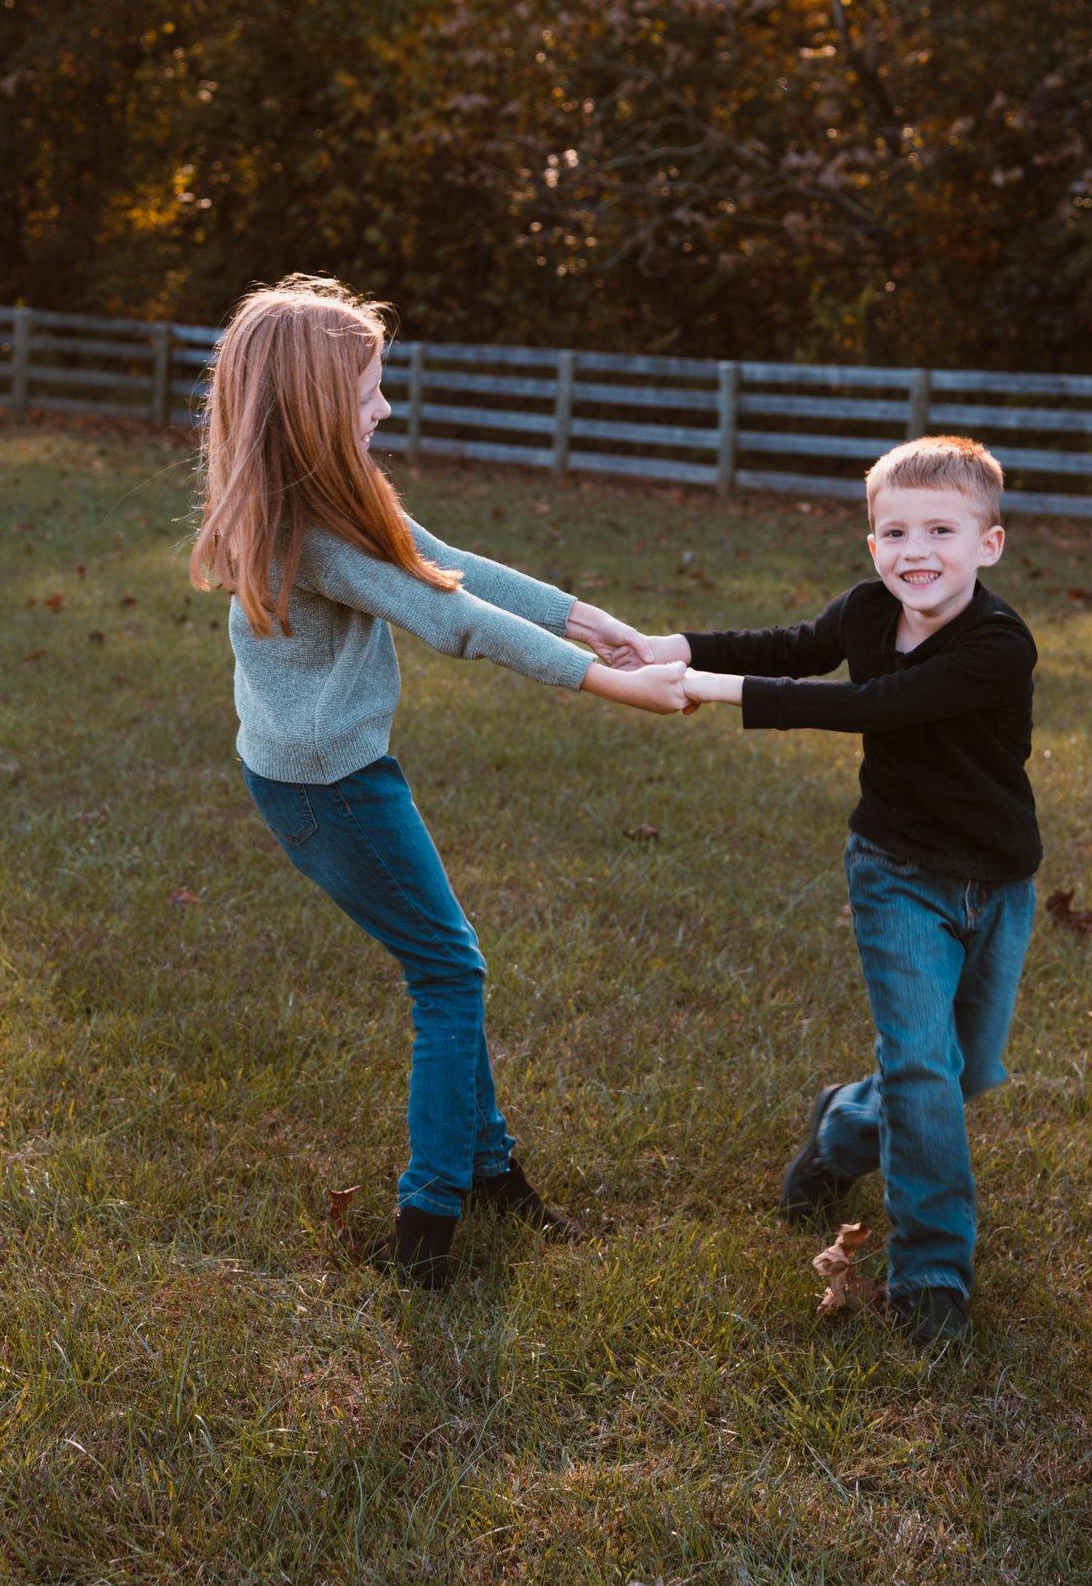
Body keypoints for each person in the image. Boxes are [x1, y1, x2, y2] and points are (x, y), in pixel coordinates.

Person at [189, 274, 685, 1291]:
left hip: (323, 774)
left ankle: (489, 1170)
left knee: (445, 960)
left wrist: (585, 616)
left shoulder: (321, 496)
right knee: (450, 976)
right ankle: (425, 1231)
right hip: (333, 789)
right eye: (369, 392)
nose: (384, 407)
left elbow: (443, 561)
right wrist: (598, 680)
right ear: (316, 408)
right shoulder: (311, 533)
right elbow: (447, 616)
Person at [641, 436, 1040, 1344]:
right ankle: (932, 1270)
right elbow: (794, 646)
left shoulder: (996, 644)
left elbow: (878, 708)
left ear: (989, 544)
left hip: (996, 883)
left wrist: (705, 687)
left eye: (942, 528)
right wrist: (675, 645)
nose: (915, 551)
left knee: (963, 1069)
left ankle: (843, 1126)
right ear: (871, 546)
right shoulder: (868, 610)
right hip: (895, 873)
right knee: (924, 1063)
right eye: (894, 531)